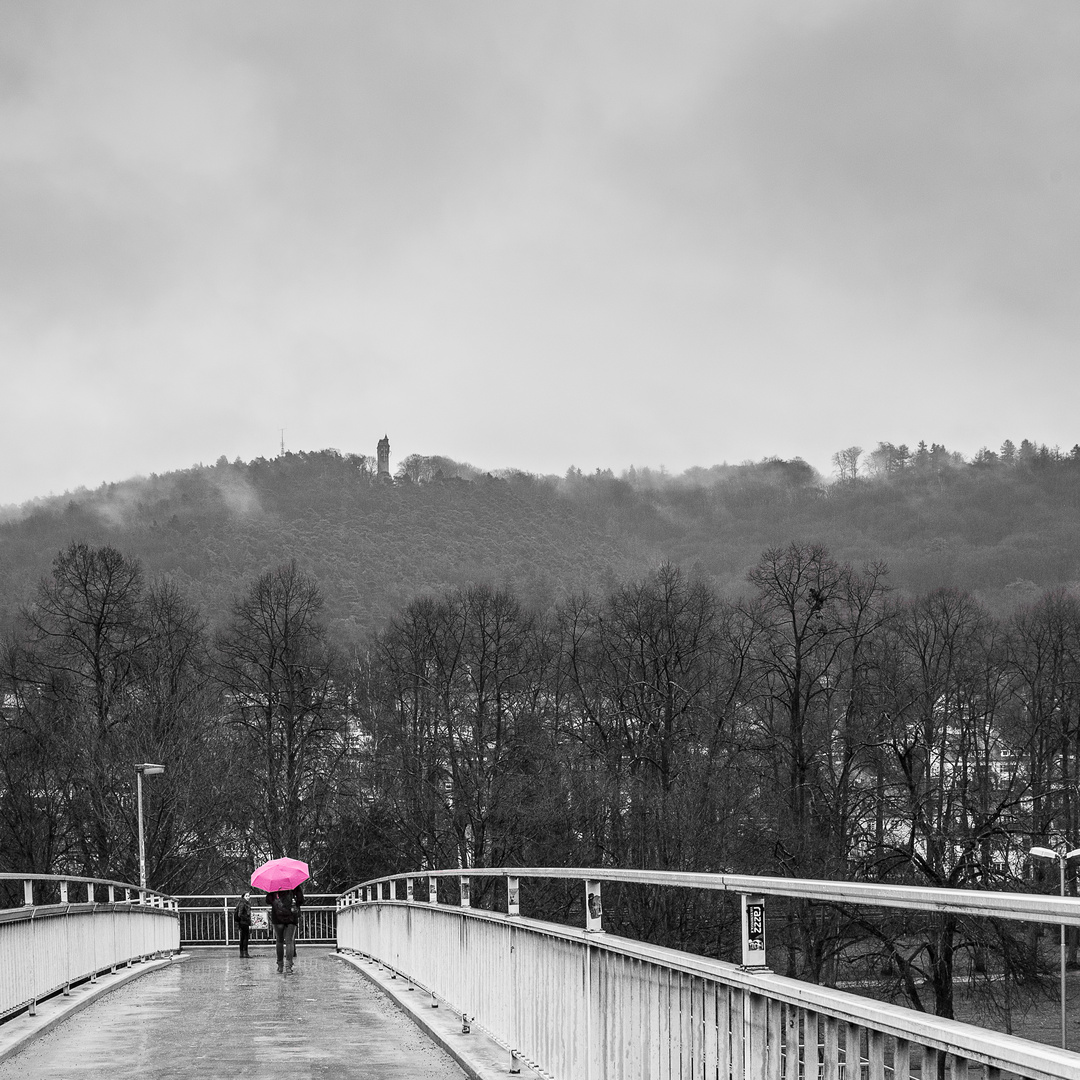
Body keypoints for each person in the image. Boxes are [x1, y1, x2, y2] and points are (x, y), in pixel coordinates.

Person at [268, 886, 303, 973]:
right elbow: (301, 900)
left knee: (279, 941)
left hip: (277, 917)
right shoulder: (294, 885)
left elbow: (268, 900)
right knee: (289, 941)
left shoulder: (274, 884)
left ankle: (280, 966)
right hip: (291, 917)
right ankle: (288, 966)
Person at [234, 890, 252, 957]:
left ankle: (242, 953)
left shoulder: (243, 902)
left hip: (243, 922)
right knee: (245, 937)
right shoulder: (243, 903)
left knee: (243, 937)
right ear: (243, 896)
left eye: (248, 896)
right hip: (244, 922)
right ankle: (245, 953)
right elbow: (240, 914)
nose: (248, 897)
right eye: (246, 896)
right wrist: (247, 919)